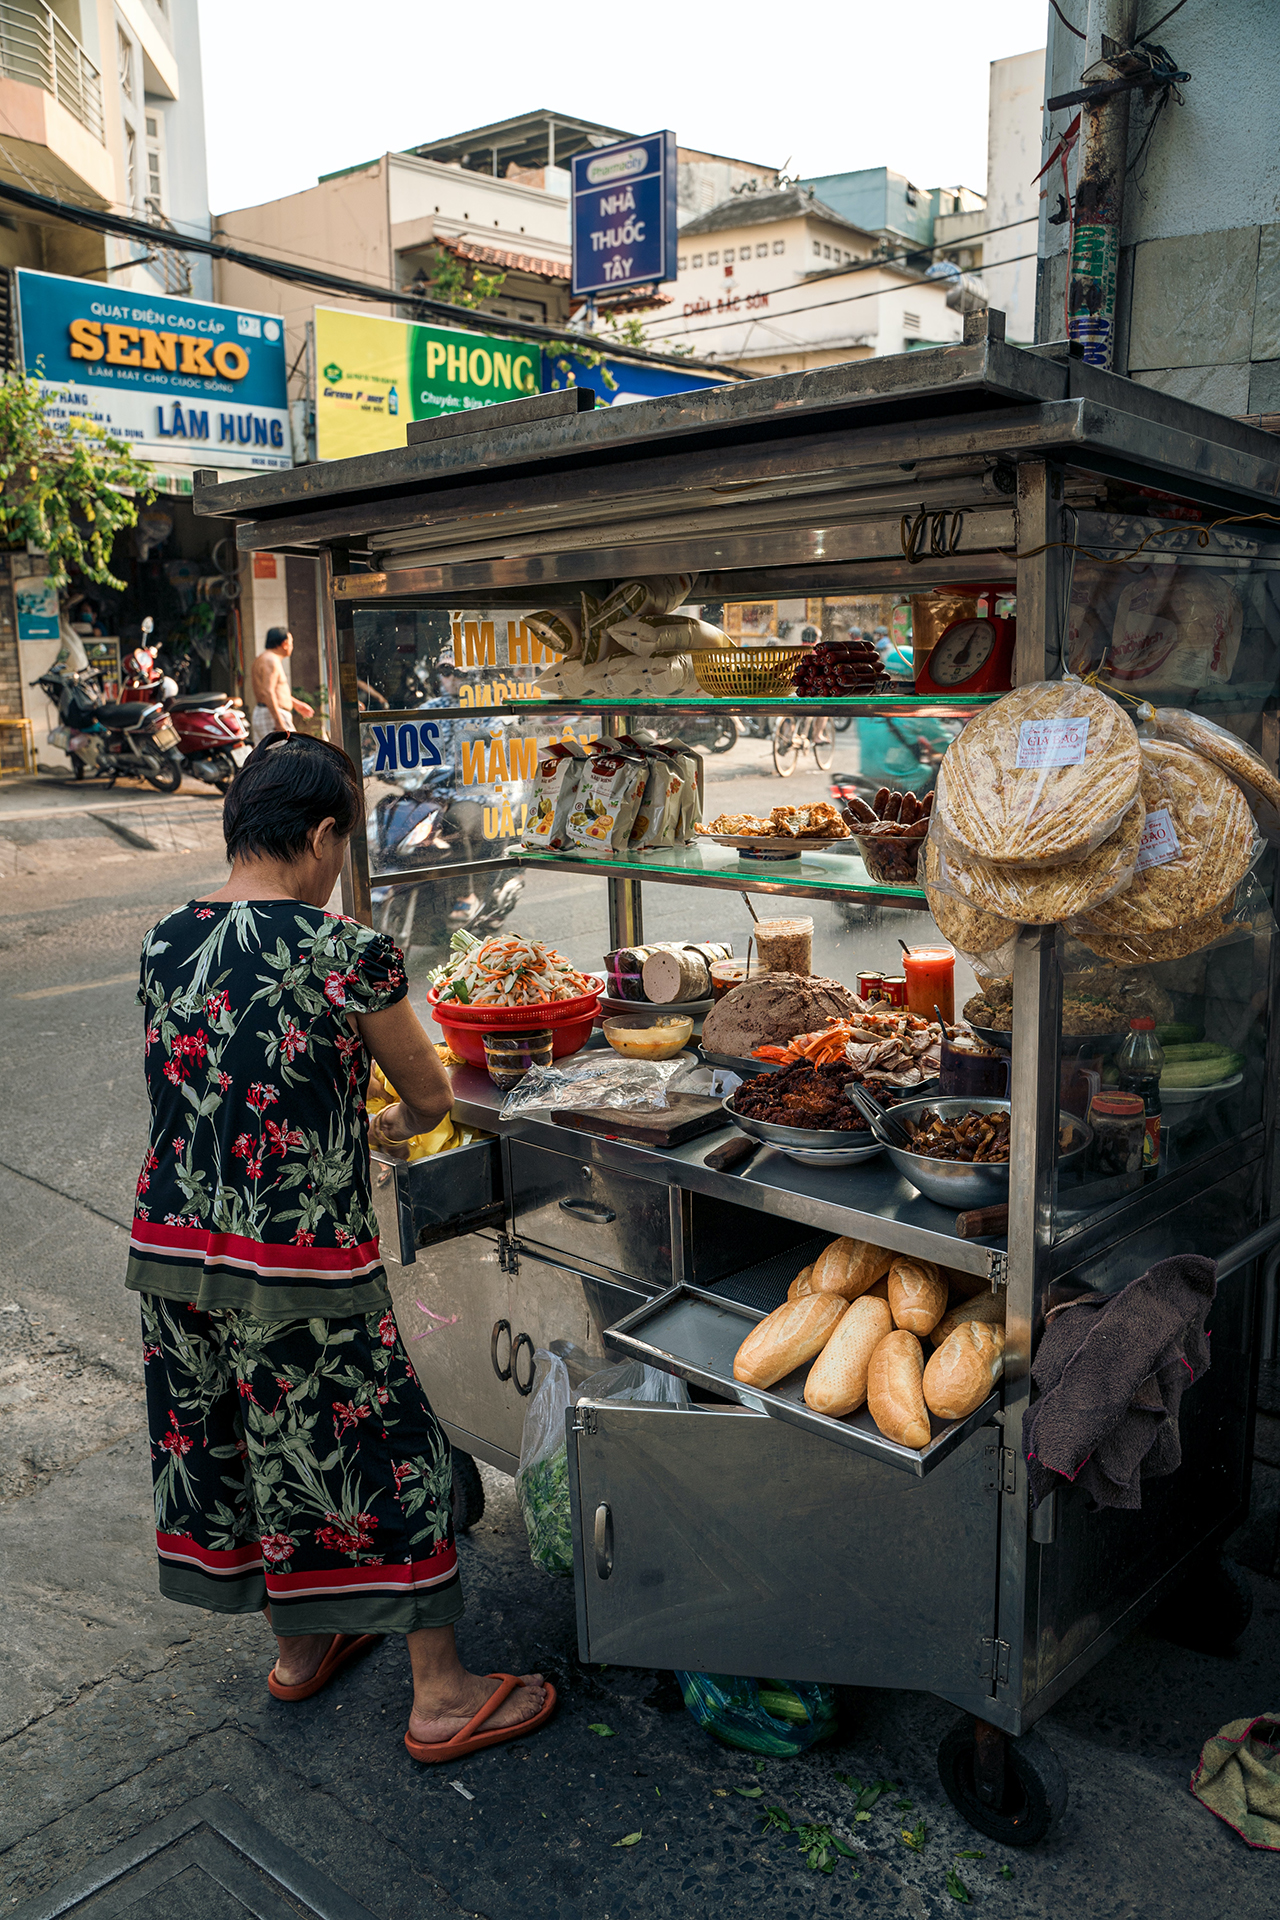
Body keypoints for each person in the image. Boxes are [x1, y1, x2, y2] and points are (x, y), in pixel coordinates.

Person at [129, 732, 553, 1760]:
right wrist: (391, 1131)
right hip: (297, 1258)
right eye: (339, 844)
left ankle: (300, 1650)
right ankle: (443, 1695)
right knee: (380, 1448)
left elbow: (219, 1083)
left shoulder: (163, 937)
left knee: (248, 1438)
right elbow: (427, 1093)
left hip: (173, 1247)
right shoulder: (341, 948)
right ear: (320, 836)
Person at [250, 628, 315, 744]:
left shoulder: (265, 658)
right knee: (290, 756)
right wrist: (279, 723)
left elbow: (273, 691)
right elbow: (267, 692)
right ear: (284, 644)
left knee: (271, 758)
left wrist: (296, 704)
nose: (292, 646)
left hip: (267, 713)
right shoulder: (271, 660)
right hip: (271, 715)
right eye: (291, 642)